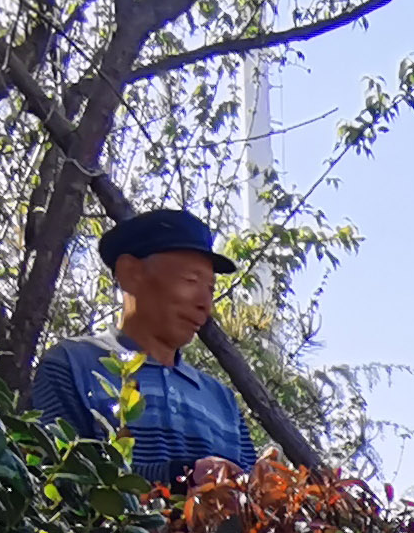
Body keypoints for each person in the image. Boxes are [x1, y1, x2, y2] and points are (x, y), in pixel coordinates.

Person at [29, 207, 259, 486]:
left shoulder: (222, 401)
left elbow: (252, 508)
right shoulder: (72, 364)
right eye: (191, 281)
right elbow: (55, 479)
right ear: (130, 273)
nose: (204, 303)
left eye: (210, 288)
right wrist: (180, 478)